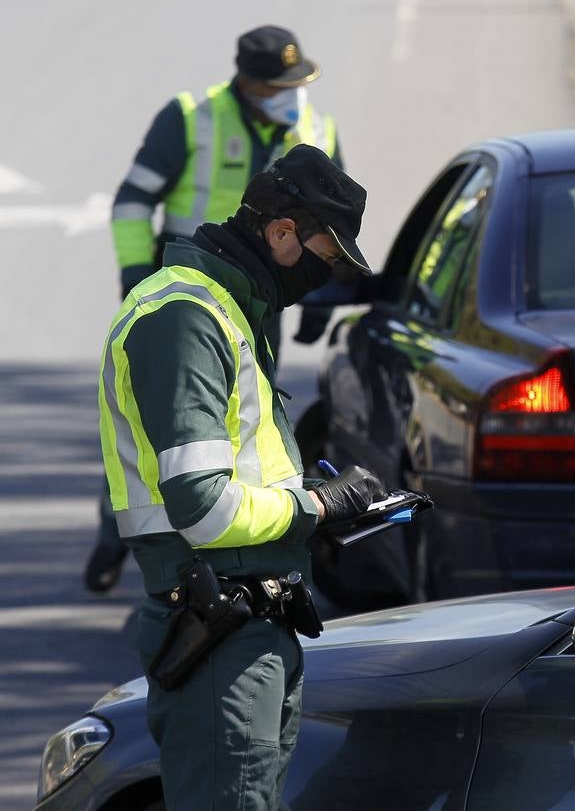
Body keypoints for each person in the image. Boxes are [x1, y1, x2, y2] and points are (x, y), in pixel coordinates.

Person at [98, 144, 385, 809]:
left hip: (248, 623)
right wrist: (316, 504)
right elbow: (202, 507)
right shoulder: (186, 318)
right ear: (282, 232)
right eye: (328, 254)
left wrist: (326, 507)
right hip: (219, 631)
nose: (328, 272)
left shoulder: (228, 308)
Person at [85, 24, 340, 592]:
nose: (291, 95)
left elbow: (332, 230)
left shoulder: (314, 127)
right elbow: (132, 203)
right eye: (277, 85)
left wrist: (325, 294)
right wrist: (136, 278)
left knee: (247, 424)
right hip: (190, 293)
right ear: (247, 83)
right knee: (164, 428)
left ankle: (257, 538)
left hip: (263, 299)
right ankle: (115, 534)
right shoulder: (190, 118)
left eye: (297, 83)